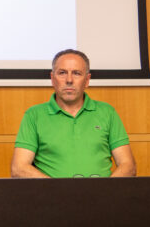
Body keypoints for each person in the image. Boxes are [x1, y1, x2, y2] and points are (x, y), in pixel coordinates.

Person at [10, 49, 137, 178]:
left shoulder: (107, 112)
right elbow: (19, 168)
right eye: (62, 73)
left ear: (87, 80)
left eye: (76, 73)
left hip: (102, 196)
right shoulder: (34, 115)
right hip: (52, 196)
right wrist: (59, 191)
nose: (69, 80)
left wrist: (104, 193)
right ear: (52, 79)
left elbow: (127, 165)